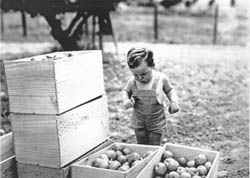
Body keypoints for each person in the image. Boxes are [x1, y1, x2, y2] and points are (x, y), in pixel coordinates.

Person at [122, 47, 180, 145]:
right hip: (139, 118)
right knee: (140, 138)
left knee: (154, 140)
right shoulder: (132, 81)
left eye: (144, 74)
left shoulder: (161, 79)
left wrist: (174, 102)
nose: (140, 78)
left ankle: (154, 155)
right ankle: (142, 156)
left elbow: (170, 90)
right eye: (136, 75)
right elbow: (125, 91)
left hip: (155, 119)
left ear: (152, 65)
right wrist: (126, 100)